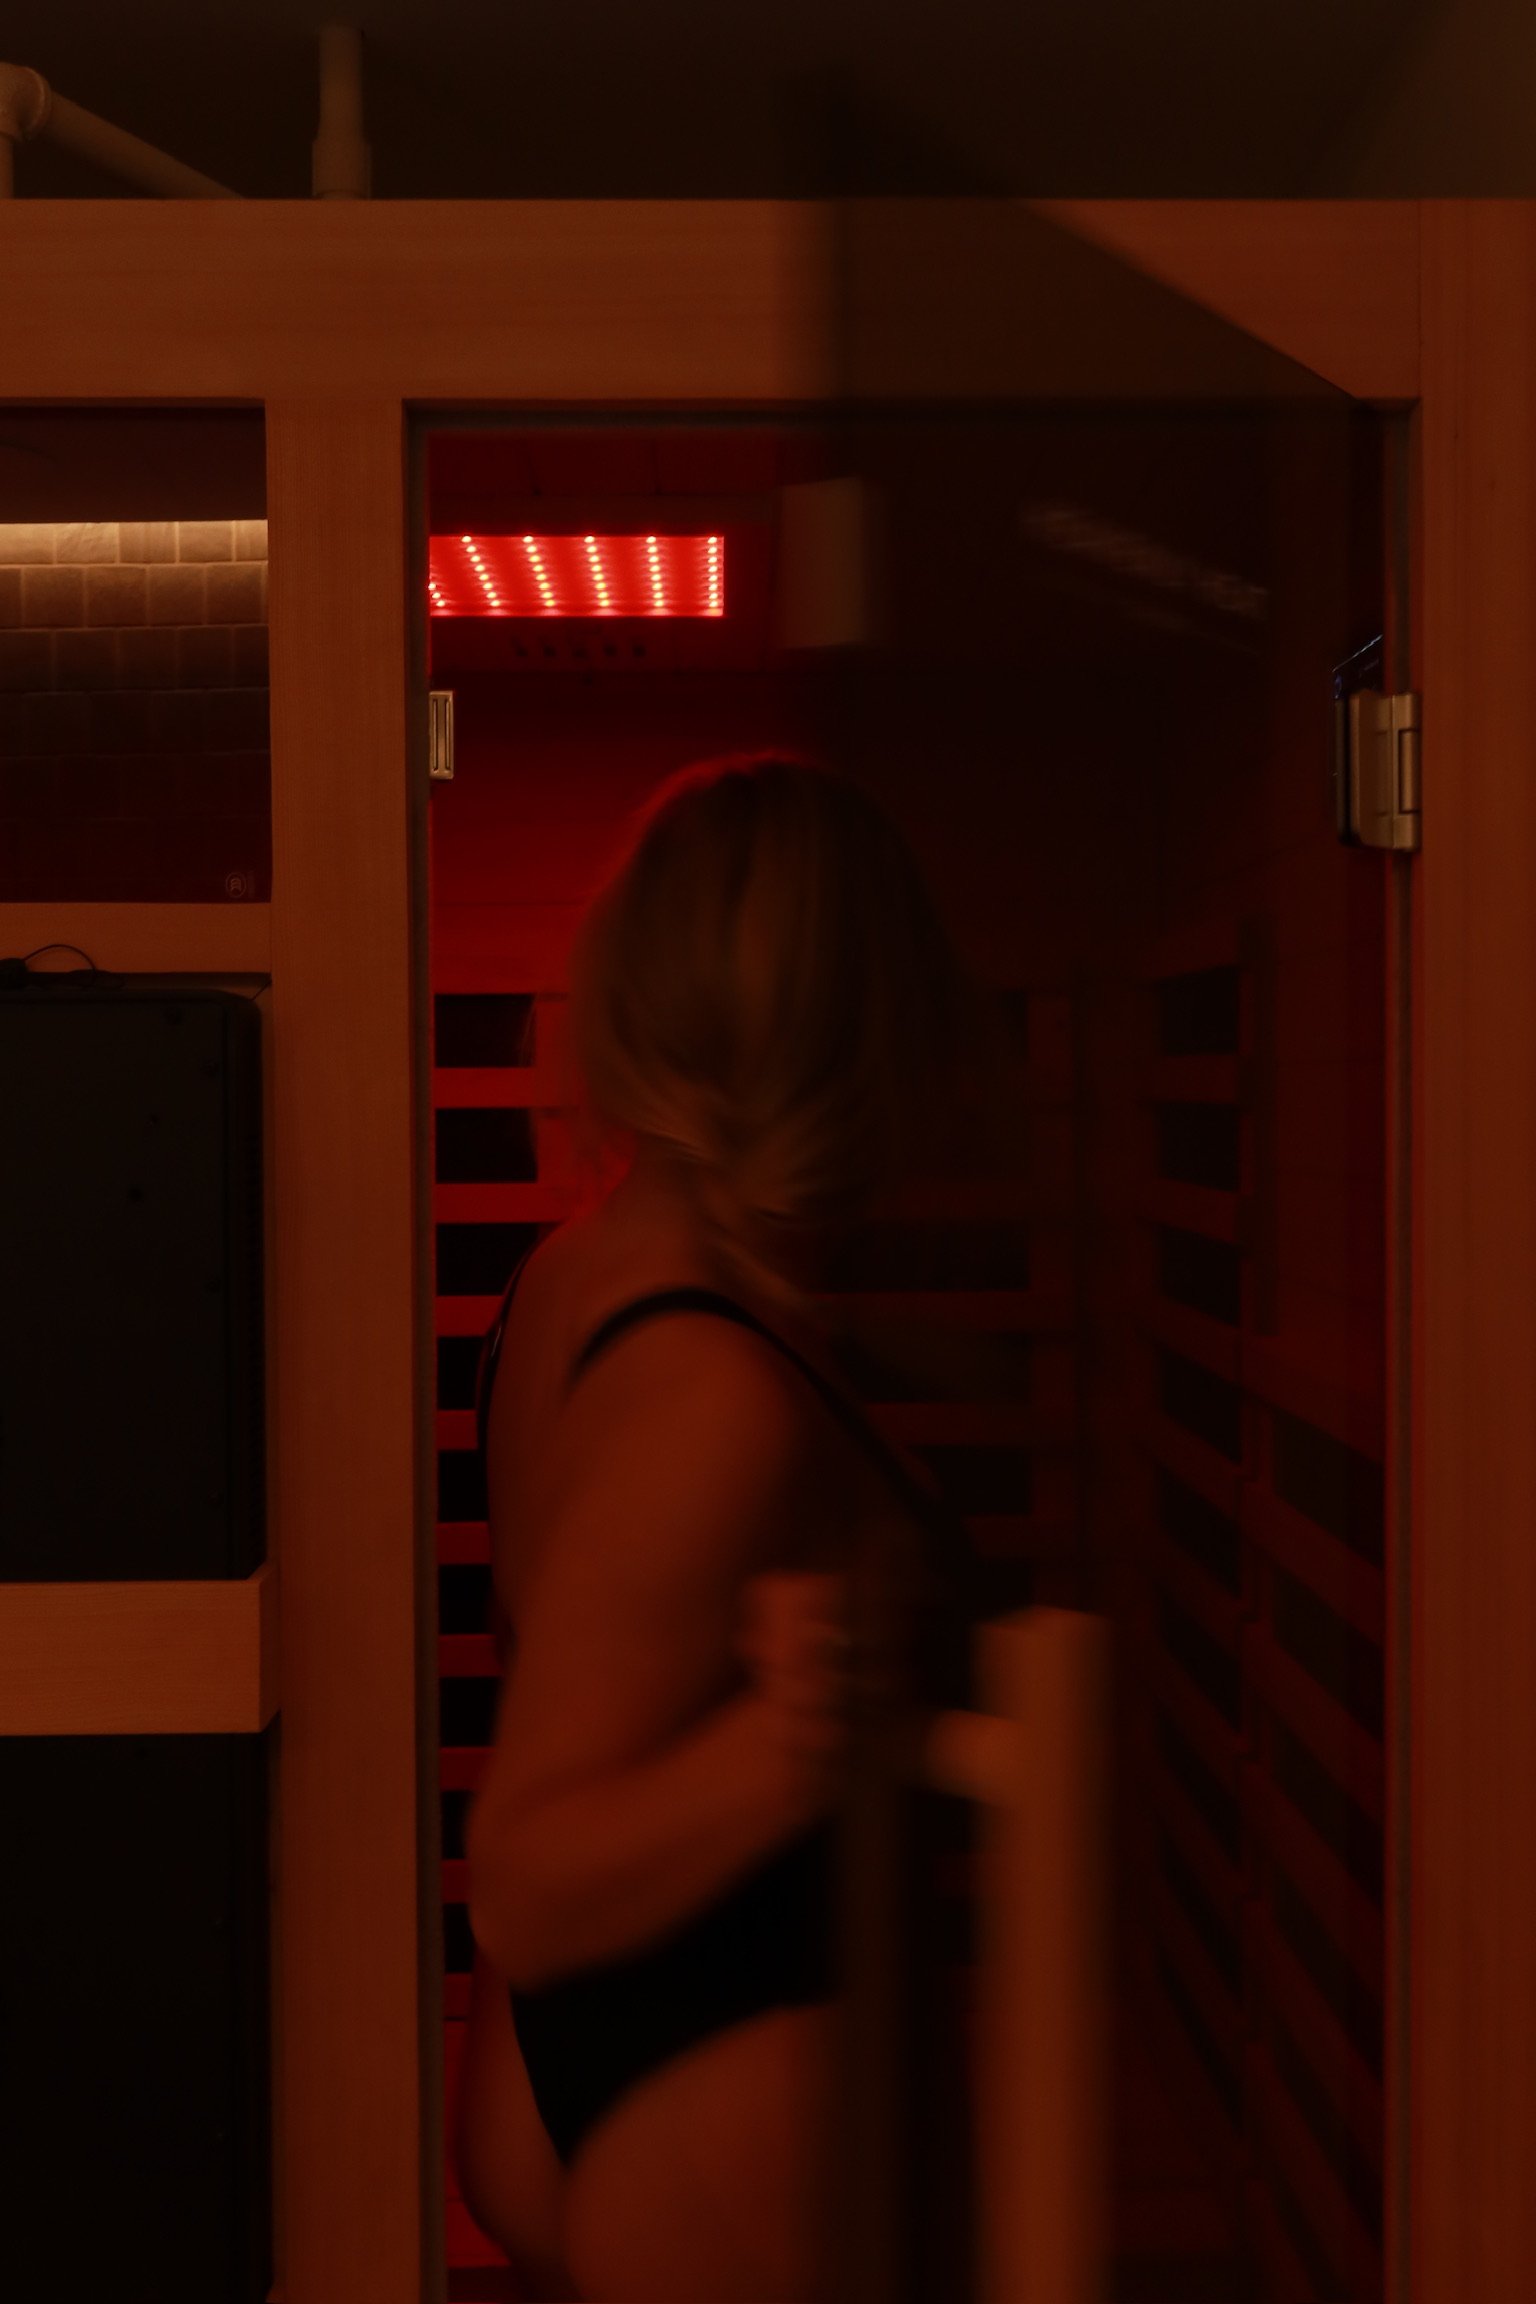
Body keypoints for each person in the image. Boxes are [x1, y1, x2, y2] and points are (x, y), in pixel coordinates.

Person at [450, 753, 992, 2301]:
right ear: (860, 1035)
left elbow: (569, 1660)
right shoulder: (716, 1388)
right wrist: (794, 1741)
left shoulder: (565, 1286)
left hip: (624, 2074)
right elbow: (533, 1874)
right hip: (727, 2078)